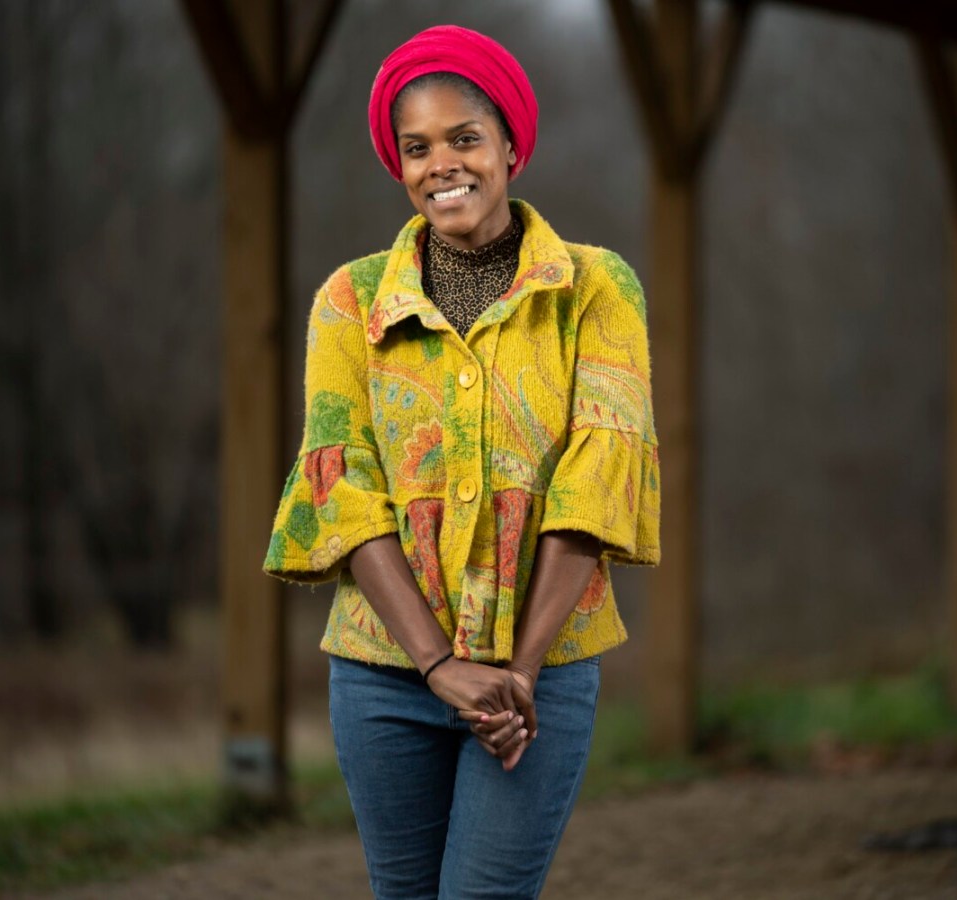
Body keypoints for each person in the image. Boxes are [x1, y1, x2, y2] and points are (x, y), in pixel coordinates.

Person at [262, 24, 660, 900]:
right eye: (417, 148)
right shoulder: (350, 302)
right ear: (399, 165)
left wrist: (515, 675)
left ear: (510, 146)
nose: (442, 164)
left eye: (465, 138)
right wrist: (439, 665)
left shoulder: (595, 289)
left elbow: (595, 483)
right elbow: (345, 490)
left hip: (538, 678)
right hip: (383, 677)